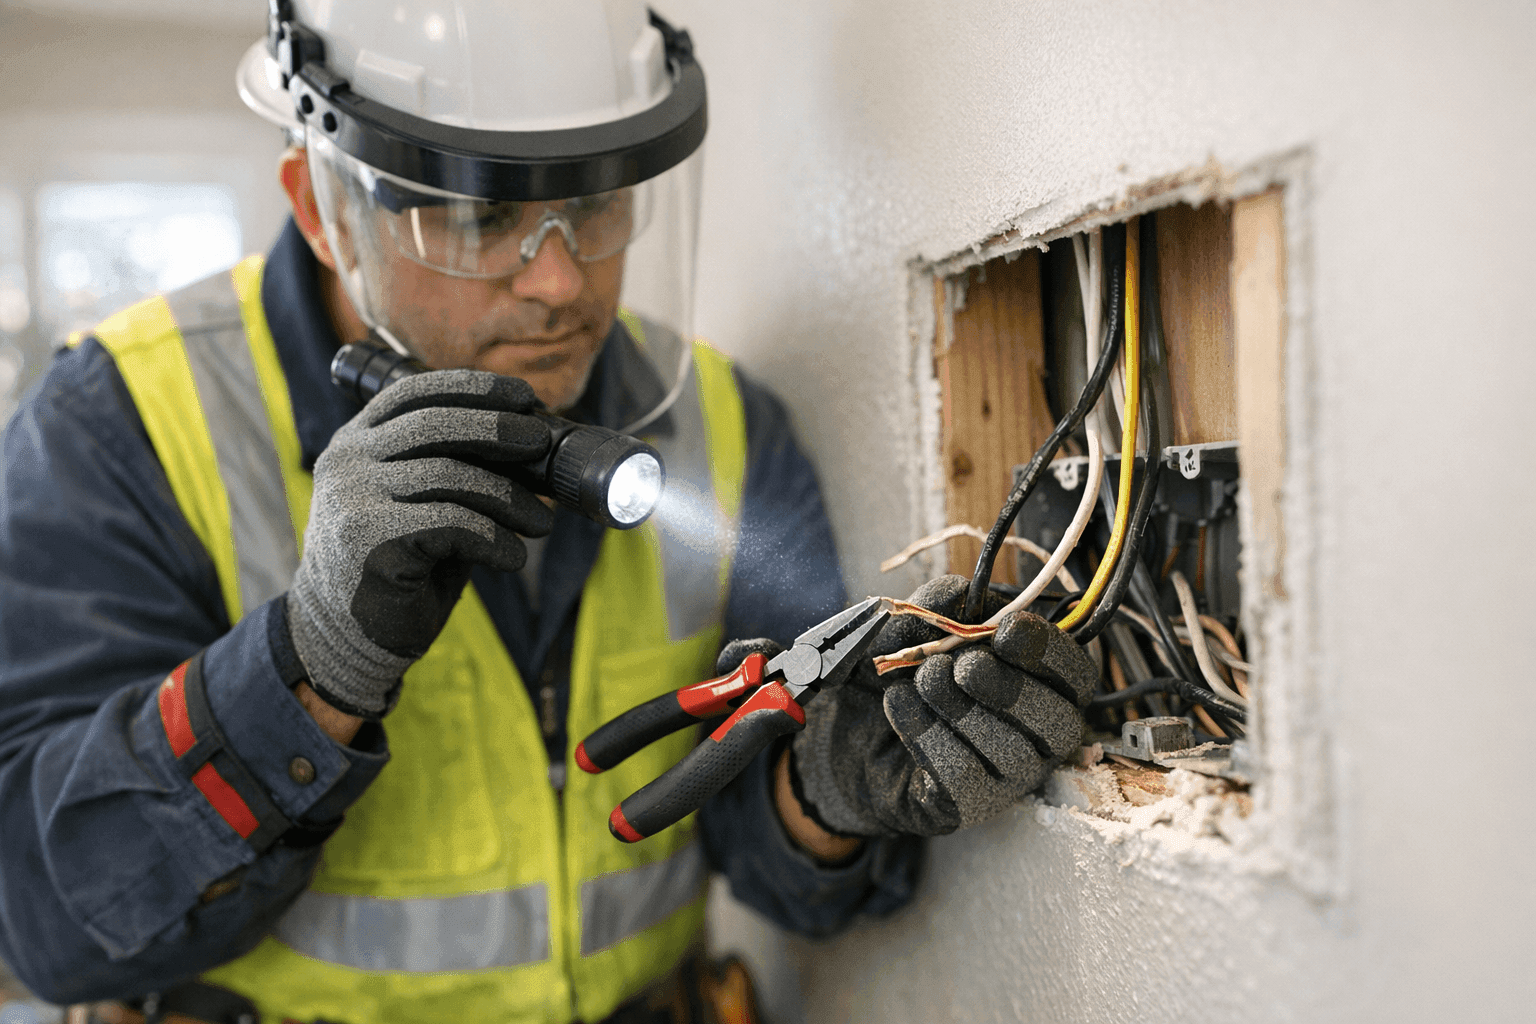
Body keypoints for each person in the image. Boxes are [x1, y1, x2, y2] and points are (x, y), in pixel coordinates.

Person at [0, 3, 1096, 1022]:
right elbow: (46, 921)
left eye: (597, 202)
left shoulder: (722, 421)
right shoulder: (123, 423)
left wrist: (830, 788)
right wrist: (309, 670)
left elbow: (764, 853)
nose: (561, 283)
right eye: (484, 214)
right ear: (321, 206)